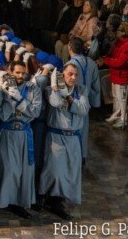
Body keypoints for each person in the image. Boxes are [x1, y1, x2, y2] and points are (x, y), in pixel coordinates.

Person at [39, 64, 89, 219]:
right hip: (56, 136)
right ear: (62, 74)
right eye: (69, 74)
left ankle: (59, 199)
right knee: (54, 170)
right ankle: (49, 199)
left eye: (75, 75)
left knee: (70, 170)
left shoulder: (81, 90)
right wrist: (56, 86)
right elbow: (55, 102)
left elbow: (83, 109)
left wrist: (67, 96)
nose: (73, 78)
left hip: (73, 137)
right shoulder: (50, 89)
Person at [0, 60, 43, 219]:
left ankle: (19, 202)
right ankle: (5, 200)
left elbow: (35, 112)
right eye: (17, 72)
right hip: (8, 133)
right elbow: (2, 115)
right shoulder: (2, 89)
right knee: (9, 169)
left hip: (24, 133)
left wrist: (20, 101)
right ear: (10, 72)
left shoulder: (33, 88)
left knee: (24, 171)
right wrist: (9, 98)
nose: (21, 76)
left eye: (23, 73)